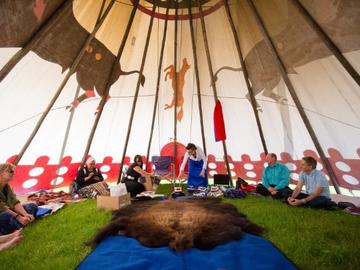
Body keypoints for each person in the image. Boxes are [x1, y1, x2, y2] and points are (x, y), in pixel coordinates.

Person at [0, 163, 38, 235]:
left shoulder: (7, 186)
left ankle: (19, 225)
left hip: (9, 212)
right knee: (8, 216)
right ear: (1, 172)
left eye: (14, 171)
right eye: (11, 171)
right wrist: (18, 217)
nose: (13, 173)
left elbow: (15, 202)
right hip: (3, 213)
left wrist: (25, 214)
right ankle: (17, 227)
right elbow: (2, 207)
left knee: (32, 206)